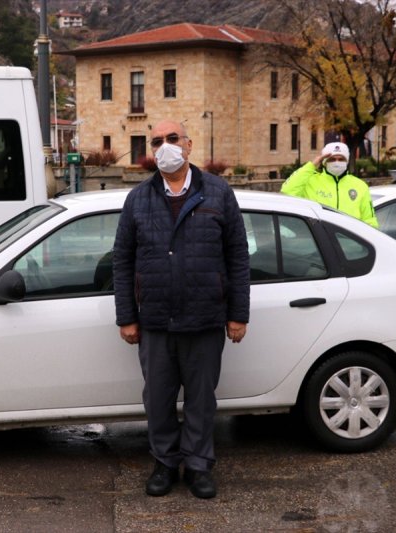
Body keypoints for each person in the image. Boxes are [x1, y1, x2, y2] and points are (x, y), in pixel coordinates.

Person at [113, 120, 250, 499]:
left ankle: (200, 466)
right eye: (157, 141)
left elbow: (237, 256)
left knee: (201, 401)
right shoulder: (138, 198)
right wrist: (126, 316)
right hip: (155, 320)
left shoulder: (219, 193)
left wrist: (238, 314)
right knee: (157, 400)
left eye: (172, 139)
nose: (165, 146)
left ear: (189, 146)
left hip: (205, 317)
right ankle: (165, 463)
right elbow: (122, 261)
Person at [281, 141, 379, 228]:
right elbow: (287, 191)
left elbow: (369, 220)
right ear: (324, 162)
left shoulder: (360, 185)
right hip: (318, 242)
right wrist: (311, 166)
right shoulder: (310, 181)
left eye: (341, 159)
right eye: (332, 159)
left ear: (347, 162)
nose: (337, 162)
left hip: (351, 244)